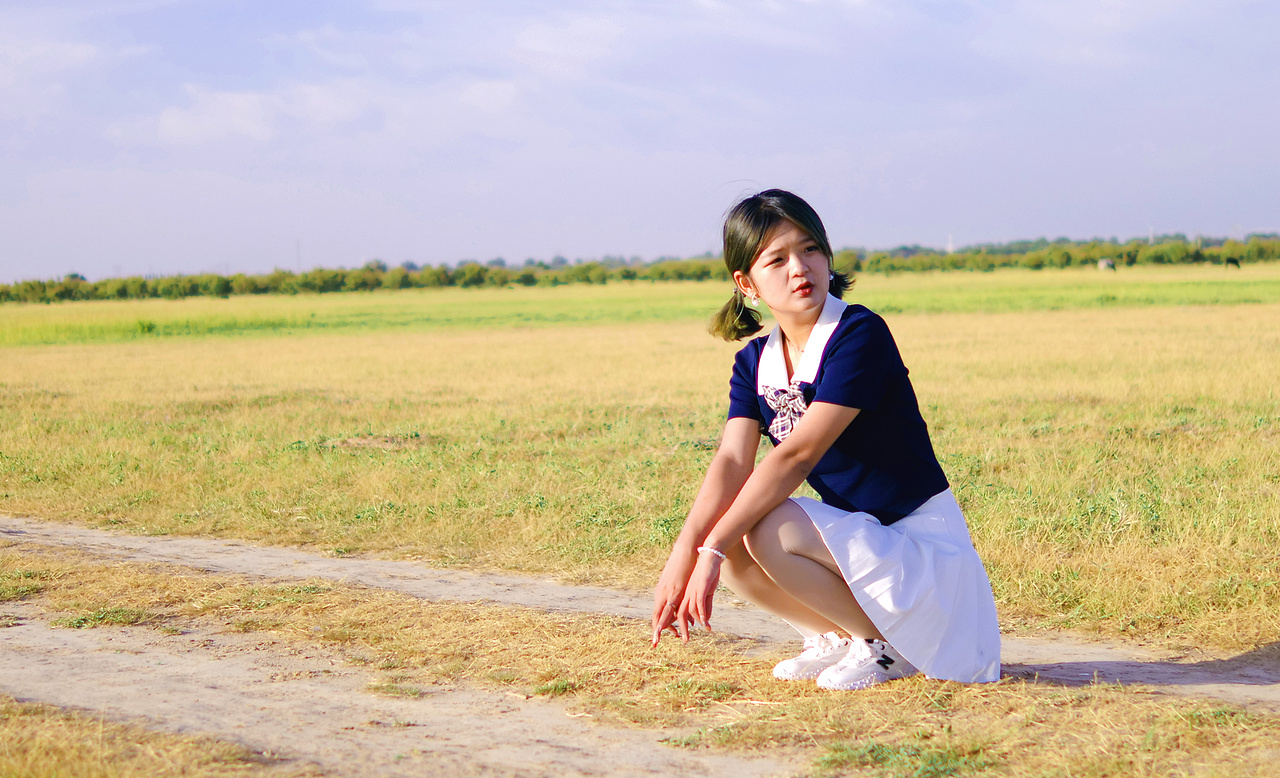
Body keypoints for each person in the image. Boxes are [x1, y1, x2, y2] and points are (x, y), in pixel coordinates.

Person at [650, 189, 1000, 690]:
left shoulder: (859, 332)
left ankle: (889, 646)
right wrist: (690, 550)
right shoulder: (754, 362)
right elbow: (731, 460)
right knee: (735, 544)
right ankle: (837, 636)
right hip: (865, 542)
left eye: (810, 249)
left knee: (764, 526)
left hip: (922, 554)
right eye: (777, 258)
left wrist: (712, 548)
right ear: (746, 283)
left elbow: (797, 454)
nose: (800, 267)